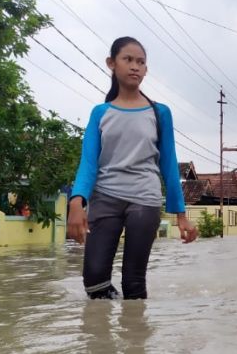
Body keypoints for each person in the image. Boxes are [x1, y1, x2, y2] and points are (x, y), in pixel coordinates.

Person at [67, 36, 198, 300]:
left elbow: (169, 164)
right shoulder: (100, 113)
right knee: (93, 280)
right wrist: (76, 202)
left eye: (141, 62)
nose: (135, 67)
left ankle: (135, 337)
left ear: (146, 69)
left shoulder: (159, 112)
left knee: (133, 281)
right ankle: (102, 338)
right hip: (105, 198)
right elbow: (89, 163)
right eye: (128, 60)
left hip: (144, 199)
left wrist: (181, 215)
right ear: (111, 63)